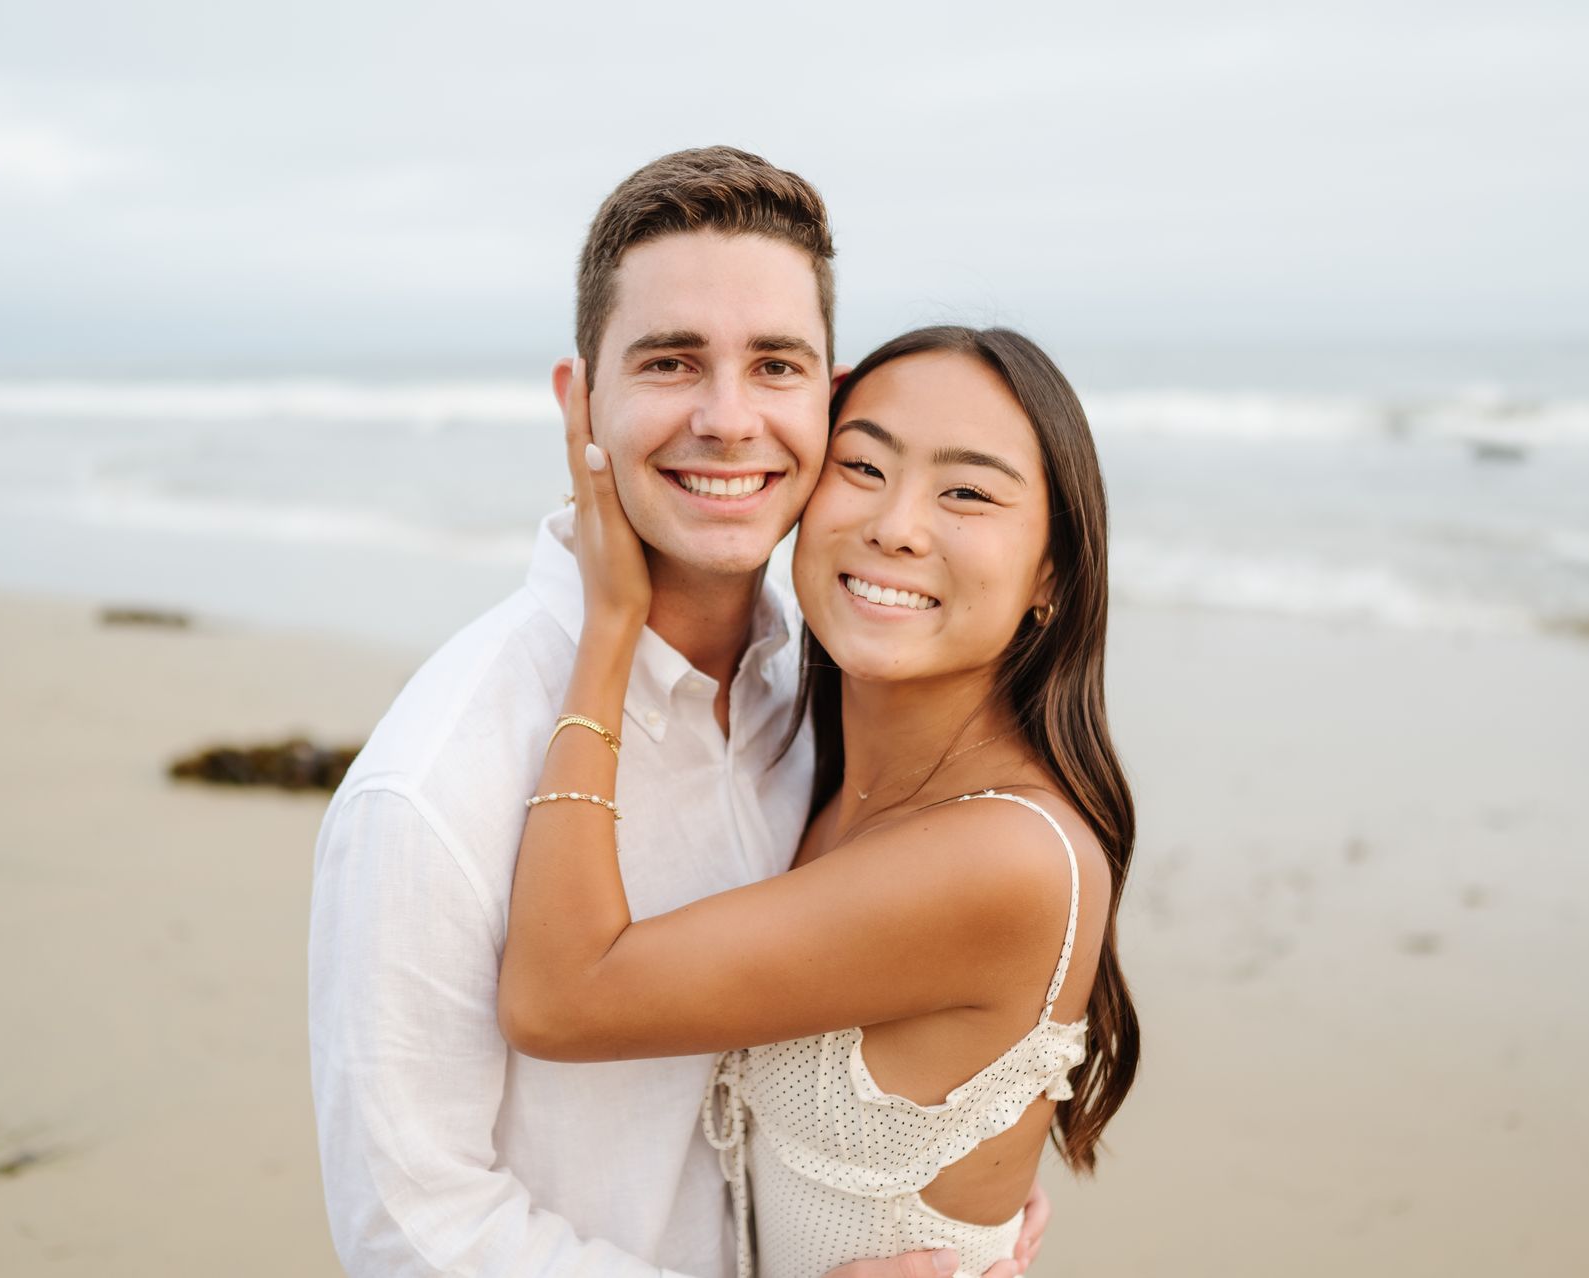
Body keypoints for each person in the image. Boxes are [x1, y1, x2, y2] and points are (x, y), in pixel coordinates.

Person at [309, 148, 1047, 1277]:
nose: (728, 418)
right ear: (581, 401)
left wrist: (950, 1198)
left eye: (775, 366)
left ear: (829, 401)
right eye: (670, 361)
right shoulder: (436, 779)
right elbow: (410, 1228)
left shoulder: (812, 703)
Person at [497, 326, 1140, 1278]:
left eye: (966, 491)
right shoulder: (824, 777)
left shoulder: (1006, 856)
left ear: (1052, 570)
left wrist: (610, 627)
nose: (896, 525)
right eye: (863, 465)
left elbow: (559, 997)